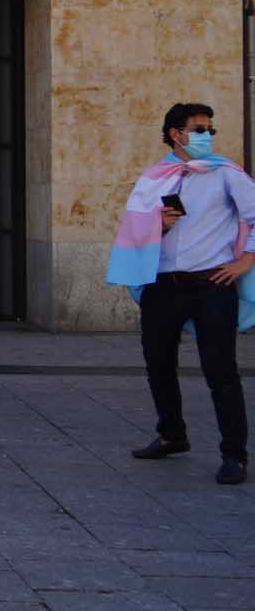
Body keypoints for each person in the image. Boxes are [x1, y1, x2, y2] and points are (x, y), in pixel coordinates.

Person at [112, 103, 255, 484]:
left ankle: (234, 455)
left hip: (212, 283)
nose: (208, 136)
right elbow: (133, 227)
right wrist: (157, 224)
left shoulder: (226, 174)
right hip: (163, 284)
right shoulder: (155, 178)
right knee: (157, 363)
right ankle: (172, 434)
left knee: (220, 370)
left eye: (211, 129)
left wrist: (245, 261)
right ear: (176, 134)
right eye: (200, 129)